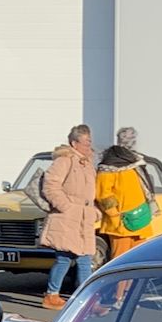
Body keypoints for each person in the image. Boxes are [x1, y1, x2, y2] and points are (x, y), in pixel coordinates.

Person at [39, 124, 99, 310]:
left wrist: (94, 210)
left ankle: (87, 299)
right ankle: (54, 295)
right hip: (68, 218)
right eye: (86, 142)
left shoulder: (87, 163)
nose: (90, 145)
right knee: (66, 257)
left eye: (90, 141)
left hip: (83, 218)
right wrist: (66, 207)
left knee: (84, 258)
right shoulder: (64, 161)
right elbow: (50, 186)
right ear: (74, 143)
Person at [95, 126, 158, 263]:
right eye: (127, 139)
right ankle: (120, 285)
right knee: (120, 262)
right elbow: (103, 194)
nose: (130, 142)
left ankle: (136, 285)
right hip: (121, 224)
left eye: (132, 139)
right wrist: (115, 215)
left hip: (140, 220)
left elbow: (145, 187)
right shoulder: (109, 165)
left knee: (139, 261)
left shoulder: (136, 162)